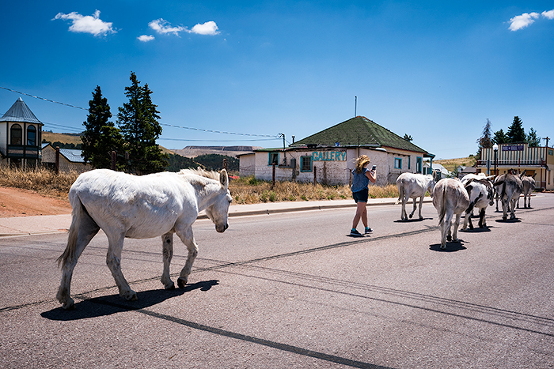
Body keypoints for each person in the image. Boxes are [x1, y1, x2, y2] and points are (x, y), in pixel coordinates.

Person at [350, 155, 376, 237]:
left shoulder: (356, 170)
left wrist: (369, 172)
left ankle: (366, 228)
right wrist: (374, 173)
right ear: (366, 163)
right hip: (362, 192)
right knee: (359, 212)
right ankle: (353, 230)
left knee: (364, 211)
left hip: (355, 192)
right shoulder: (366, 171)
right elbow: (373, 180)